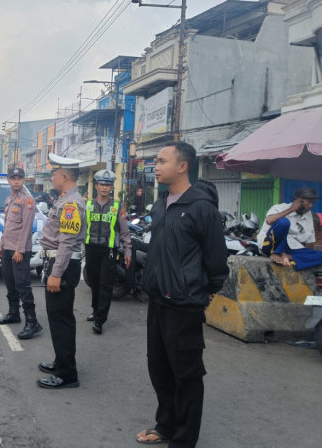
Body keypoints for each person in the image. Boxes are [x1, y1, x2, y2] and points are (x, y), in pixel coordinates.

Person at [136, 141, 229, 447]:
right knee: (159, 368)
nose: (156, 166)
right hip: (158, 300)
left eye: (162, 161)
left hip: (185, 304)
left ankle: (184, 439)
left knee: (186, 375)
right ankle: (166, 425)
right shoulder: (160, 204)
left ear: (182, 166)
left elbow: (217, 261)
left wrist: (203, 291)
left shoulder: (202, 208)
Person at [36, 153, 87, 389]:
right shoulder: (65, 199)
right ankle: (60, 362)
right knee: (56, 319)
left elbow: (66, 242)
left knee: (61, 319)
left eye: (55, 174)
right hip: (58, 264)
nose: (53, 177)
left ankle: (67, 374)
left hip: (63, 266)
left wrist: (56, 274)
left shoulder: (70, 204)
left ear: (64, 176)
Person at [0, 167, 42, 340]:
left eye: (19, 178)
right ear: (8, 180)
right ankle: (14, 313)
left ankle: (32, 322)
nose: (16, 181)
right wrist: (2, 245)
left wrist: (19, 250)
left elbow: (26, 227)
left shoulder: (27, 200)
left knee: (23, 285)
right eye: (13, 178)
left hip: (19, 250)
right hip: (8, 247)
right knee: (10, 283)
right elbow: (7, 225)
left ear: (23, 180)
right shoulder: (9, 198)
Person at [84, 169, 131, 334]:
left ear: (112, 188)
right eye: (102, 184)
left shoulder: (117, 207)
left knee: (105, 285)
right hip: (90, 250)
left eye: (108, 185)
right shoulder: (87, 205)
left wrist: (128, 252)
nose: (105, 188)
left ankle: (100, 320)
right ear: (96, 186)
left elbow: (125, 232)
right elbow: (80, 229)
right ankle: (95, 310)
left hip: (108, 252)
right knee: (94, 283)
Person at [256, 187, 322, 270]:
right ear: (298, 200)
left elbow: (308, 243)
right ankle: (277, 252)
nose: (310, 206)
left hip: (290, 249)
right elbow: (269, 220)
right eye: (309, 202)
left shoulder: (308, 215)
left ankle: (287, 256)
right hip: (269, 245)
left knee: (320, 255)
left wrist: (306, 254)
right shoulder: (280, 208)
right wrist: (291, 209)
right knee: (284, 222)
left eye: (313, 203)